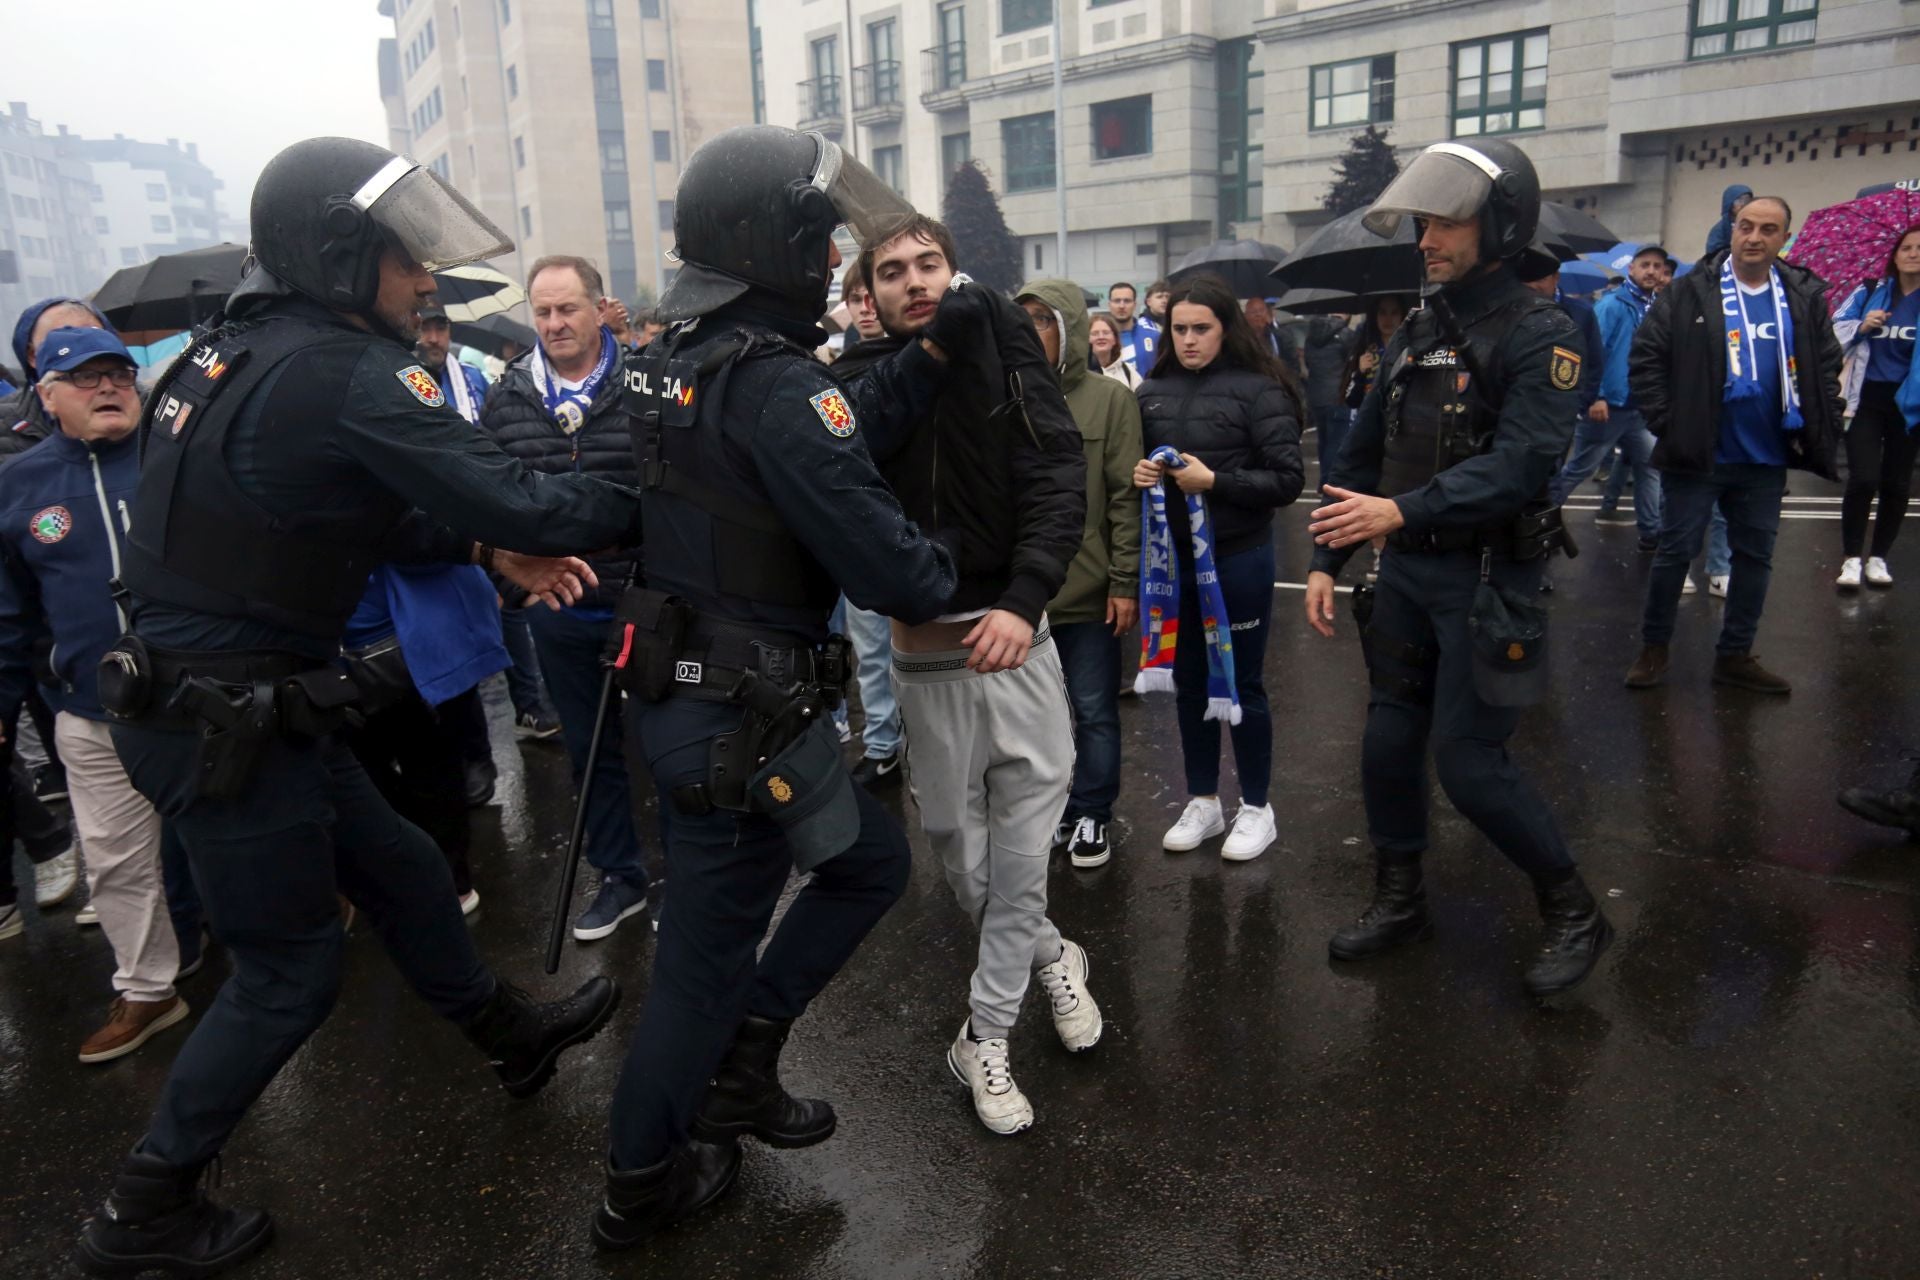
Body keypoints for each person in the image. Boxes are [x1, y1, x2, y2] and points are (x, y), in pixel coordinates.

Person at [73, 137, 636, 1278]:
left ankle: (509, 1037)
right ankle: (143, 1209)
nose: (426, 280)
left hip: (233, 706)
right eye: (404, 257)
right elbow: (519, 488)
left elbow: (358, 515)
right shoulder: (343, 369)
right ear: (341, 255)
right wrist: (667, 479)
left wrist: (490, 547)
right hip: (227, 723)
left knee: (406, 869)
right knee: (287, 972)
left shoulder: (230, 356)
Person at [596, 125, 965, 1245]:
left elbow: (757, 473)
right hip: (738, 719)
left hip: (692, 692)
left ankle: (743, 1062)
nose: (828, 260)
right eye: (820, 240)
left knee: (866, 861)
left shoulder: (675, 355)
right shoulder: (777, 384)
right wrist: (957, 565)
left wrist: (921, 372)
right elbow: (892, 568)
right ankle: (641, 1179)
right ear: (780, 245)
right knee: (702, 965)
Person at [1302, 138, 1613, 999]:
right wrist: (1328, 555)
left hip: (1485, 581)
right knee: (1387, 745)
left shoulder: (1542, 333)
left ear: (1500, 223)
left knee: (1471, 764)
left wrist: (1399, 512)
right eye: (1424, 221)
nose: (1427, 238)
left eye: (1446, 222)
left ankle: (1576, 908)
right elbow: (1365, 449)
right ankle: (1401, 901)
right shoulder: (1423, 327)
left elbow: (1523, 463)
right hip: (1403, 577)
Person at [855, 212, 1098, 1137]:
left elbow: (1054, 475)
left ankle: (983, 1037)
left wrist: (1025, 598)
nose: (914, 281)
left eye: (929, 265)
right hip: (927, 665)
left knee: (1024, 861)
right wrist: (929, 361)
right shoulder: (862, 381)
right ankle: (1052, 957)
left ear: (953, 272)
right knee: (967, 863)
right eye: (891, 272)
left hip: (1018, 645)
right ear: (870, 295)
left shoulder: (1005, 348)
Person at [0, 327, 185, 1063]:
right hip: (89, 711)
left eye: (117, 374)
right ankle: (149, 988)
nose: (107, 387)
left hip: (198, 698)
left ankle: (290, 947)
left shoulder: (177, 457)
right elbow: (7, 612)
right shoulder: (20, 486)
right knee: (115, 860)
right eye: (85, 378)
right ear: (46, 396)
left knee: (234, 832)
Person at [480, 255, 654, 940]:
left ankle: (676, 877)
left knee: (666, 749)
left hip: (647, 605)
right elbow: (486, 499)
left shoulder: (647, 382)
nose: (554, 323)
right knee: (590, 752)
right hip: (561, 613)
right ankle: (621, 877)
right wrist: (511, 590)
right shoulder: (508, 396)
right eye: (543, 311)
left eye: (567, 308)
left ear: (597, 306)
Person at [1624, 196, 1844, 695]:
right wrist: (1670, 423)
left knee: (1755, 560)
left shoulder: (1803, 295)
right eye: (1746, 226)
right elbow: (1646, 361)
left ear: (1783, 239)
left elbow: (1825, 364)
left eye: (1768, 229)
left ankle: (1735, 655)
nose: (1754, 237)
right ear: (1732, 229)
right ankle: (1654, 647)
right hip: (1700, 453)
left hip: (1766, 457)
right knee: (1674, 553)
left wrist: (1820, 419)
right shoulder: (1689, 292)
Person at [1137, 275, 1304, 862]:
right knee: (1188, 686)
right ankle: (1204, 800)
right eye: (1178, 328)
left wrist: (1217, 482)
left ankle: (1257, 807)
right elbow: (1133, 463)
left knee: (1242, 685)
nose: (1188, 340)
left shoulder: (1260, 390)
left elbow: (1288, 480)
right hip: (1172, 565)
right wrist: (1137, 474)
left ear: (1225, 328)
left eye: (1200, 329)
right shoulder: (1150, 389)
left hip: (1238, 560)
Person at [1015, 279, 1143, 869]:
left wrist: (1123, 582)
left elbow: (1123, 496)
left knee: (1092, 709)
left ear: (1067, 327)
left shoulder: (1109, 399)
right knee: (1029, 721)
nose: (1031, 331)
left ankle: (1092, 810)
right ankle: (1050, 811)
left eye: (1043, 320)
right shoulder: (1003, 395)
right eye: (1023, 320)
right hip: (1018, 599)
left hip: (1088, 591)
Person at [821, 262, 906, 787]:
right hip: (863, 533)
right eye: (855, 299)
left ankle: (924, 746)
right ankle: (882, 744)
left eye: (869, 296)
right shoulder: (835, 371)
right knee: (871, 649)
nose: (865, 308)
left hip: (915, 527)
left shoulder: (920, 357)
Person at [1550, 246, 1664, 550]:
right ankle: (1537, 519)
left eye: (1657, 266)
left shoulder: (1652, 306)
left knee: (1650, 466)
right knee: (1579, 469)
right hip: (1608, 406)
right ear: (1632, 270)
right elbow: (1591, 352)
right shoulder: (1613, 305)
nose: (1652, 271)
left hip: (1637, 407)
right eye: (1645, 265)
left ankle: (1651, 533)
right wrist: (1596, 395)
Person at [1832, 225, 1920, 588]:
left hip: (1910, 404)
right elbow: (1834, 328)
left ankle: (1879, 558)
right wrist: (1862, 326)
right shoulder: (1870, 291)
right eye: (1907, 247)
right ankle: (1852, 558)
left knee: (1897, 484)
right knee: (1863, 478)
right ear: (1895, 255)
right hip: (1866, 399)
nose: (1914, 253)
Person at [1302, 312, 1357, 478]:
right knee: (1336, 441)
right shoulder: (1347, 335)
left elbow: (1308, 362)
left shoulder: (1312, 334)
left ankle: (1324, 479)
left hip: (1316, 396)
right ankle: (1329, 480)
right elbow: (1352, 363)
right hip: (1338, 395)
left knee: (1323, 440)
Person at [1107, 280, 1161, 368]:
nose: (1122, 306)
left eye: (1127, 301)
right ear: (1109, 305)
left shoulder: (1154, 336)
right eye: (1117, 301)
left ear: (1134, 305)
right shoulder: (1100, 338)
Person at [1244, 295, 1301, 375]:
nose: (1258, 314)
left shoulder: (1281, 337)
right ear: (1245, 316)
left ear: (1267, 313)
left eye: (1261, 310)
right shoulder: (1241, 339)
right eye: (1253, 312)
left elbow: (1294, 367)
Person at [1089, 312, 1142, 389]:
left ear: (1115, 339)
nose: (1101, 337)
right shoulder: (1080, 372)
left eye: (1106, 333)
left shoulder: (1128, 372)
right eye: (1095, 333)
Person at [1704, 184, 1754, 258]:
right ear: (1729, 204)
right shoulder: (1719, 230)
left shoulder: (1755, 225)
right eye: (1739, 201)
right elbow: (1713, 257)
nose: (1743, 204)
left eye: (1747, 201)